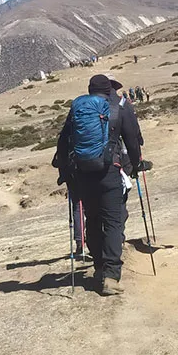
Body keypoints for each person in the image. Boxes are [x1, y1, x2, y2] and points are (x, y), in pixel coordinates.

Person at [55, 74, 143, 295]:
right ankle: (111, 276)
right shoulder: (117, 109)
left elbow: (63, 141)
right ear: (108, 91)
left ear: (89, 89)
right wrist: (136, 164)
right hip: (109, 172)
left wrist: (65, 172)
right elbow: (132, 140)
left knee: (92, 220)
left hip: (83, 174)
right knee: (113, 222)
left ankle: (98, 268)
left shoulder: (78, 109)